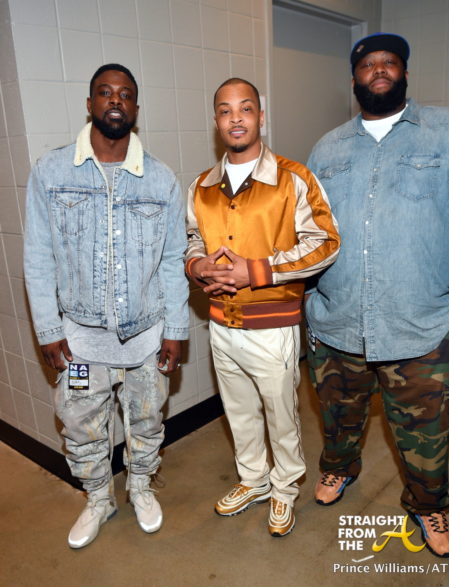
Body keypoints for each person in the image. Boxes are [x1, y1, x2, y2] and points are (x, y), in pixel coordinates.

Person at [306, 33, 449, 557]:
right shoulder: (327, 148)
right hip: (338, 315)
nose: (379, 70)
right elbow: (308, 229)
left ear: (405, 73)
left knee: (427, 426)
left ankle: (427, 503)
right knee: (338, 413)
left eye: (389, 62)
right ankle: (338, 468)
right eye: (368, 64)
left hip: (420, 317)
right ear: (354, 79)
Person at [24, 64, 189, 549]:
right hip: (79, 345)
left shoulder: (161, 178)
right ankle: (98, 498)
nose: (115, 100)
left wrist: (176, 329)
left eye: (126, 94)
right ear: (90, 104)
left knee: (147, 421)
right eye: (105, 92)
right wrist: (47, 329)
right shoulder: (51, 172)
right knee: (80, 426)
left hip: (146, 339)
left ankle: (139, 487)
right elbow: (38, 255)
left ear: (135, 108)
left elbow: (173, 260)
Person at [185, 78, 340, 537]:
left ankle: (285, 489)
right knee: (238, 412)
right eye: (225, 110)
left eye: (245, 108)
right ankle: (253, 480)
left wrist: (257, 271)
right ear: (216, 121)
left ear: (260, 116)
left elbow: (325, 242)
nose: (236, 118)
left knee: (281, 416)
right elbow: (191, 239)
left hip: (272, 327)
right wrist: (196, 266)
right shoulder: (201, 186)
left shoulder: (292, 179)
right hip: (221, 324)